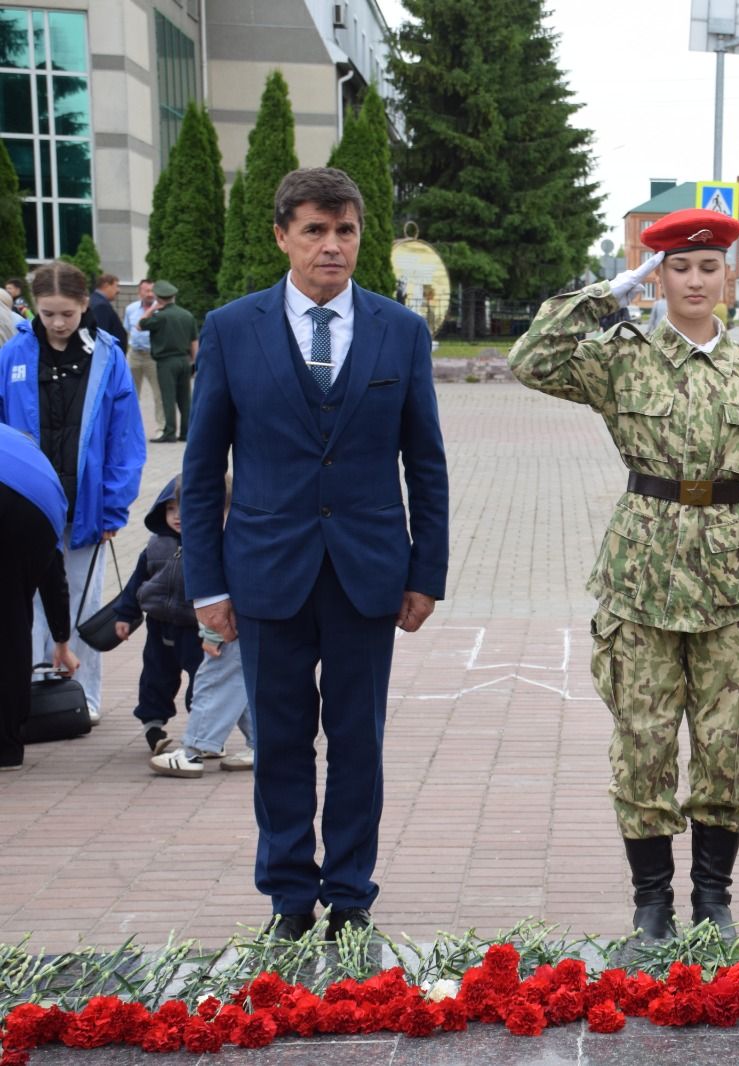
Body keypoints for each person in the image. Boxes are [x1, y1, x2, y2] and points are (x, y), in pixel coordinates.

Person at [510, 208, 739, 946]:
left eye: (709, 267)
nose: (696, 280)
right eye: (678, 267)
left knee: (724, 746)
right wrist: (606, 295)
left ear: (728, 276)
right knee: (641, 743)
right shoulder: (623, 358)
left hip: (734, 583)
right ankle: (651, 903)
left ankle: (713, 898)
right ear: (659, 277)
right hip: (642, 577)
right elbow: (532, 358)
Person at [183, 167, 450, 941]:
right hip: (265, 572)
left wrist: (425, 572)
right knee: (281, 740)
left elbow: (424, 462)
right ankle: (290, 897)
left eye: (346, 231)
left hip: (369, 572)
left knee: (359, 741)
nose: (332, 246)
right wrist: (206, 586)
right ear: (282, 236)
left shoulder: (400, 331)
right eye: (315, 231)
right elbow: (202, 474)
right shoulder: (233, 329)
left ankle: (352, 894)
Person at [0, 260, 145, 727]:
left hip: (86, 506)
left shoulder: (109, 357)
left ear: (85, 306)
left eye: (67, 313)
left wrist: (115, 504)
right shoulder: (12, 355)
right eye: (48, 314)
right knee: (24, 600)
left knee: (81, 597)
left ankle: (82, 693)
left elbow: (126, 437)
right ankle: (28, 687)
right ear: (33, 309)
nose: (58, 323)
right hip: (24, 506)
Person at [149, 475, 254, 778]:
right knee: (241, 685)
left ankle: (194, 750)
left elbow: (220, 595)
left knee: (213, 683)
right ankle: (260, 743)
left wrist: (210, 634)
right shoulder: (240, 534)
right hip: (241, 624)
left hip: (226, 627)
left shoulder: (217, 541)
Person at [0, 423, 78, 771]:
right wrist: (61, 640)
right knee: (13, 625)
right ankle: (7, 747)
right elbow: (53, 574)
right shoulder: (25, 453)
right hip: (34, 513)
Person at [110, 476, 203, 752]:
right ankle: (153, 727)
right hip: (159, 625)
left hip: (196, 628)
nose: (178, 516)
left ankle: (204, 730)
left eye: (186, 508)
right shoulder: (155, 546)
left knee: (203, 680)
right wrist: (125, 615)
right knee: (155, 676)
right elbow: (136, 583)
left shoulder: (210, 545)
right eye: (171, 509)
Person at [139, 281, 199, 443]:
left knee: (168, 397)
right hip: (184, 360)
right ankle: (186, 432)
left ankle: (170, 432)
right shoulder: (187, 315)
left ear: (159, 298)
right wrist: (195, 362)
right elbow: (194, 341)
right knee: (185, 398)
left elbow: (140, 325)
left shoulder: (160, 317)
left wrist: (152, 309)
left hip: (166, 362)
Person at [123, 280, 162, 438]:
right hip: (134, 354)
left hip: (152, 355)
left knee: (158, 393)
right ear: (140, 292)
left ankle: (161, 427)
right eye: (146, 290)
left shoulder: (160, 310)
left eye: (152, 290)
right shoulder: (130, 309)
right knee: (130, 392)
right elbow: (128, 329)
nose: (149, 294)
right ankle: (130, 429)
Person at [89, 274, 129, 351]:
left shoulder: (94, 300)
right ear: (106, 285)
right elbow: (102, 335)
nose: (118, 290)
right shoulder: (101, 305)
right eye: (116, 286)